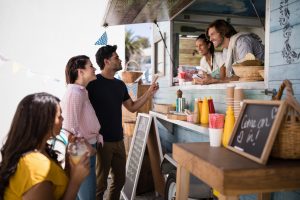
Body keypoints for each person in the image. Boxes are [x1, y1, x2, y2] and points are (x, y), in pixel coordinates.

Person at [87, 45, 159, 200]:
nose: (120, 60)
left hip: (119, 140)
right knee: (100, 185)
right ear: (106, 61)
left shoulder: (119, 85)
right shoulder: (92, 84)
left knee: (119, 181)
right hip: (101, 142)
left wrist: (149, 93)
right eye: (116, 57)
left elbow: (132, 107)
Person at [0, 92, 90, 200]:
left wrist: (70, 166)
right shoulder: (35, 165)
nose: (63, 120)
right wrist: (76, 181)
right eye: (59, 116)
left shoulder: (41, 152)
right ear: (44, 121)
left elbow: (57, 191)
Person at [60, 55, 104, 200]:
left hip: (86, 150)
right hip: (83, 153)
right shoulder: (75, 93)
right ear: (81, 72)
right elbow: (69, 130)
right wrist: (88, 148)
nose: (95, 69)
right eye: (91, 66)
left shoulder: (81, 91)